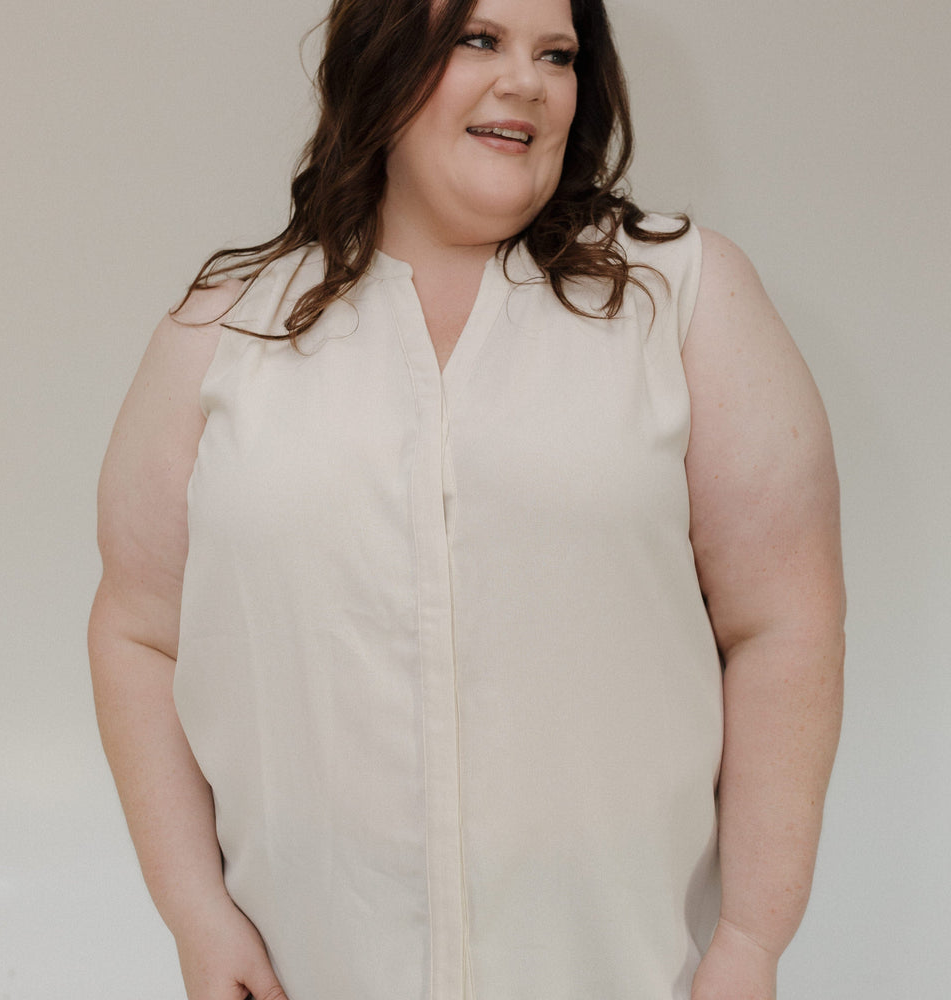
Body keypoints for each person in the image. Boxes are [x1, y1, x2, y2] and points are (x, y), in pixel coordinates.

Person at [88, 0, 845, 997]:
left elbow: (784, 620)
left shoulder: (684, 295)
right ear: (383, 59)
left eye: (557, 53)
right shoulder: (229, 327)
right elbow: (139, 629)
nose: (525, 79)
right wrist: (196, 914)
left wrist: (751, 937)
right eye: (478, 39)